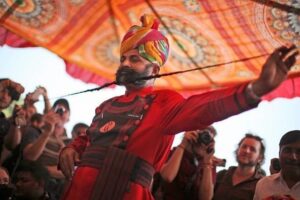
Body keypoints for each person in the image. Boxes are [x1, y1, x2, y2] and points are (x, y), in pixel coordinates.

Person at [58, 14, 298, 200]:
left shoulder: (163, 102)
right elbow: (88, 140)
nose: (126, 64)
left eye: (135, 59)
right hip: (79, 190)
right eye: (123, 59)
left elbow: (205, 107)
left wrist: (255, 88)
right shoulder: (105, 105)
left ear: (154, 70)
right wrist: (70, 148)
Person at [156, 126, 222, 200]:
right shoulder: (176, 152)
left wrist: (207, 162)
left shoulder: (209, 164)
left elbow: (206, 198)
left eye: (208, 138)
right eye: (202, 133)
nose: (203, 139)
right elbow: (167, 177)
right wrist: (183, 145)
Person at [213, 133, 266, 200]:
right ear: (238, 150)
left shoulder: (262, 185)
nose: (246, 151)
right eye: (244, 146)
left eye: (252, 149)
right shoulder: (222, 175)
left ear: (260, 158)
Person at [253, 130, 300, 200]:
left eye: (299, 152)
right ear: (279, 153)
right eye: (287, 150)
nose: (293, 157)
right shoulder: (263, 184)